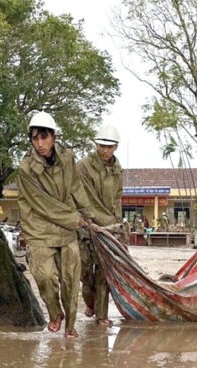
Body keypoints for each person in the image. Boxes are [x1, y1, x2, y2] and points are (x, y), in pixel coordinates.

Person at [16, 111, 94, 338]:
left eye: (44, 137)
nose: (40, 144)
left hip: (66, 229)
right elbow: (43, 205)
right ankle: (54, 312)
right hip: (39, 228)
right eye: (35, 139)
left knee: (71, 277)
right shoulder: (25, 169)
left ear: (53, 137)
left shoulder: (68, 158)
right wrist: (75, 219)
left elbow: (75, 187)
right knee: (45, 276)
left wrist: (87, 215)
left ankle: (70, 325)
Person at [77, 122, 124, 328]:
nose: (105, 150)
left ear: (115, 147)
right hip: (87, 227)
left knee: (104, 273)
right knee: (85, 273)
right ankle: (91, 303)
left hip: (110, 228)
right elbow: (79, 197)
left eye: (109, 146)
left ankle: (101, 315)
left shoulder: (117, 169)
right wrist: (88, 221)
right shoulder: (83, 167)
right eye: (102, 145)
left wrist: (118, 225)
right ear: (96, 145)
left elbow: (118, 197)